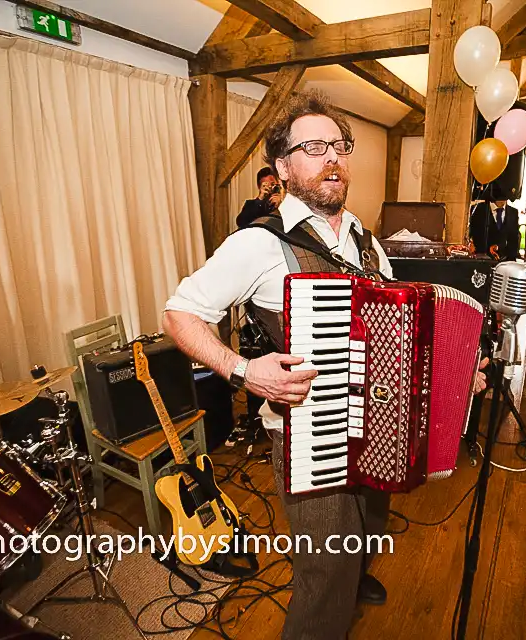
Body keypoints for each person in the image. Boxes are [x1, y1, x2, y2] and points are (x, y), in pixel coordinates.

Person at [164, 90, 485, 640]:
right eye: (313, 148)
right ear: (284, 168)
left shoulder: (365, 241)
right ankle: (334, 595)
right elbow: (180, 314)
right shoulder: (257, 244)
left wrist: (450, 379)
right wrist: (245, 371)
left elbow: (398, 336)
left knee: (372, 523)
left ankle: (356, 577)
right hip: (313, 435)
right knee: (323, 573)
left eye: (338, 146)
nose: (332, 157)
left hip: (377, 420)